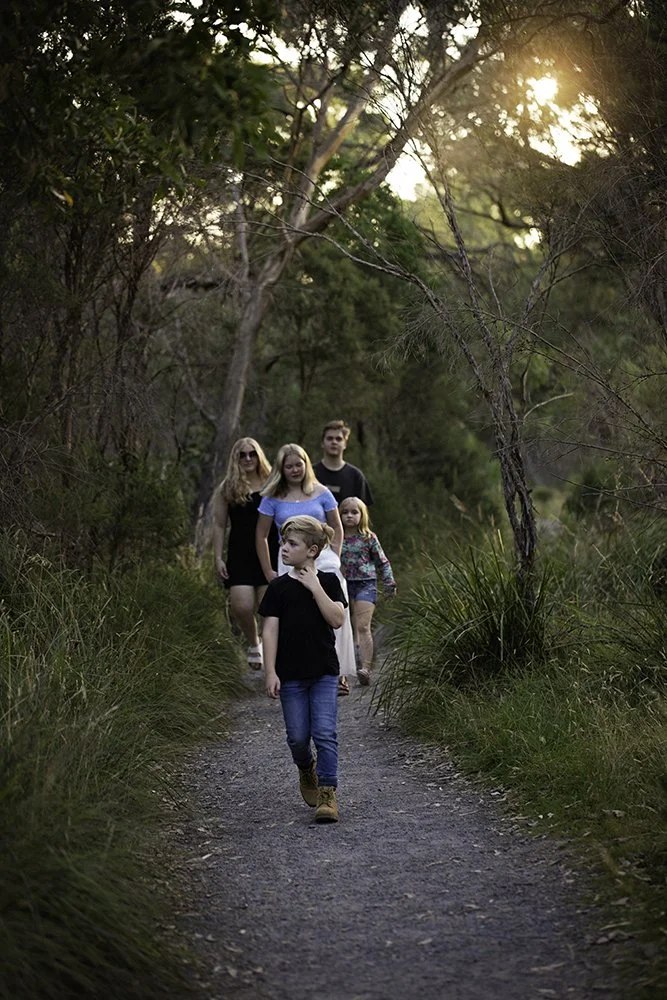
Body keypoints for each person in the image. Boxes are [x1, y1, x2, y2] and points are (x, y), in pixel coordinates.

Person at [259, 516, 346, 823]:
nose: (283, 548)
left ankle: (327, 794)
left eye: (291, 544)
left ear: (312, 550)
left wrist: (315, 586)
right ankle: (305, 767)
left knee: (324, 733)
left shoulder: (330, 580)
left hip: (323, 671)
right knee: (298, 737)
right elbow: (269, 631)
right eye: (283, 542)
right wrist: (270, 671)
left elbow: (337, 619)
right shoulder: (279, 588)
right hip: (291, 675)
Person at [255, 443, 357, 694]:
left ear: (306, 464)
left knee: (334, 606)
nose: (294, 469)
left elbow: (336, 524)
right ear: (281, 468)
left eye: (298, 464)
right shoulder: (272, 497)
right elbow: (261, 535)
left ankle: (339, 672)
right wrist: (268, 570)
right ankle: (291, 672)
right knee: (296, 614)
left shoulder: (321, 492)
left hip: (322, 557)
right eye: (288, 466)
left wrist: (335, 554)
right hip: (289, 557)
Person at [212, 437, 278, 668]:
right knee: (241, 605)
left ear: (259, 456)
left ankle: (273, 661)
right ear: (235, 458)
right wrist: (218, 557)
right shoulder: (227, 488)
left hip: (270, 551)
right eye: (242, 455)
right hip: (240, 553)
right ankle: (253, 641)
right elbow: (219, 524)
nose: (248, 458)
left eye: (252, 454)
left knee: (268, 606)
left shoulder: (273, 482)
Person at [339, 496, 396, 686]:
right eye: (345, 512)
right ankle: (341, 671)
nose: (349, 516)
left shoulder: (369, 537)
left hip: (366, 584)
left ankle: (365, 668)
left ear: (362, 515)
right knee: (342, 627)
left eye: (354, 512)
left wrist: (389, 583)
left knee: (363, 626)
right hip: (342, 585)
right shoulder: (336, 537)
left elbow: (383, 562)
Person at [313, 419, 374, 505]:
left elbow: (363, 512)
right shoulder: (311, 473)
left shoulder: (356, 476)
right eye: (330, 438)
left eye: (338, 439)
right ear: (322, 443)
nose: (334, 442)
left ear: (345, 444)